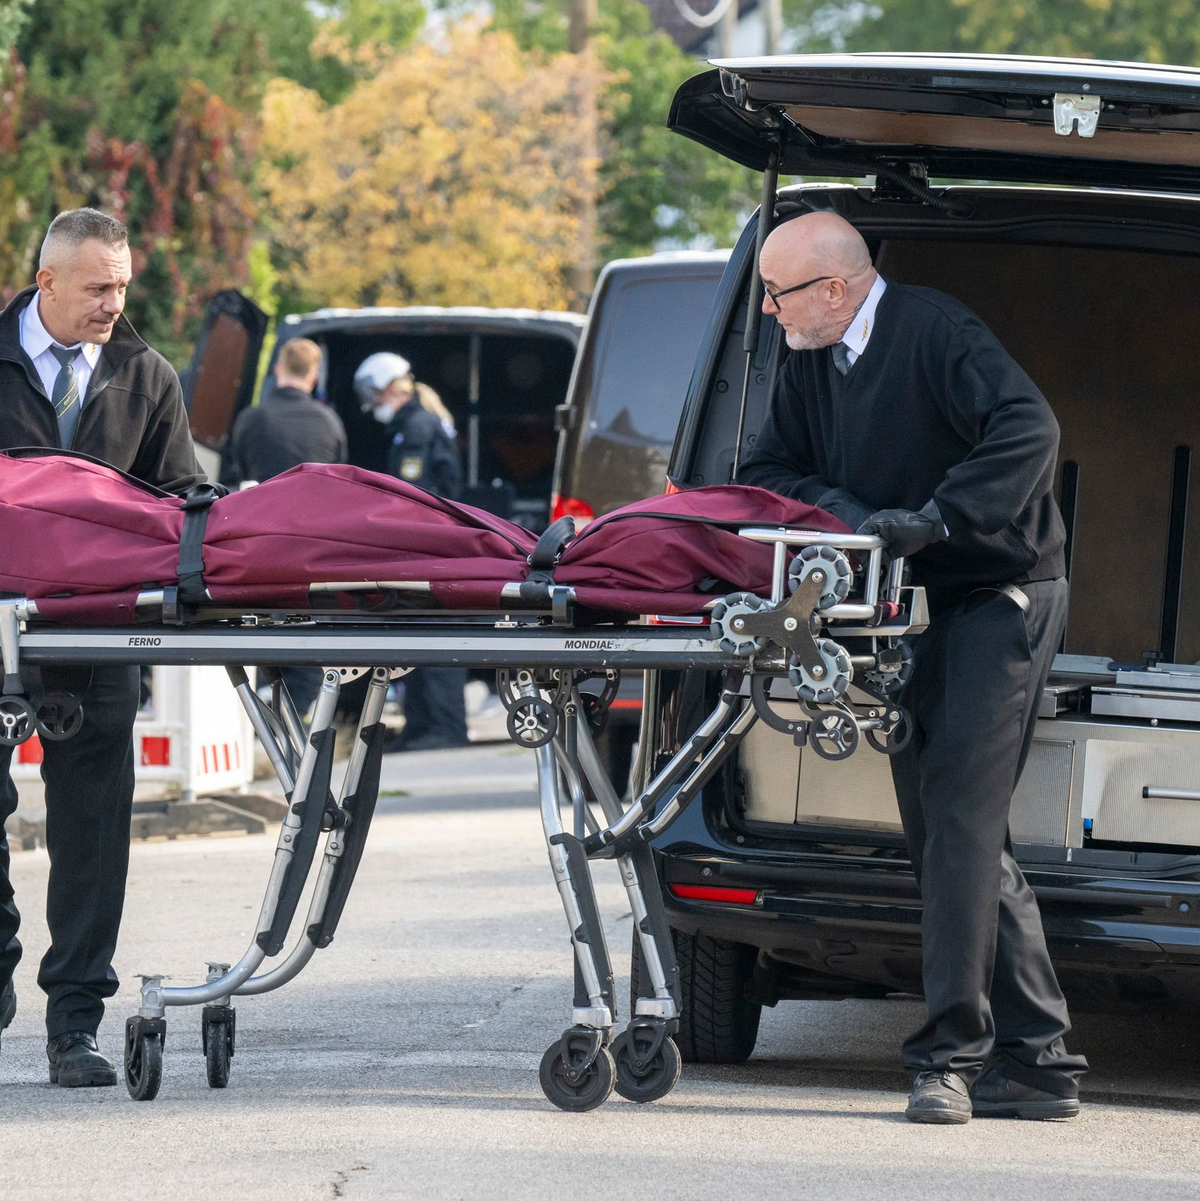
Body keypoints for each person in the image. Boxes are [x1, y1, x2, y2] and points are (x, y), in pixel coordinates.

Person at [740, 211, 1087, 1125]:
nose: (768, 310)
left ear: (835, 288)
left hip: (1001, 593)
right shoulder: (813, 357)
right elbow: (769, 466)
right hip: (910, 605)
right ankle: (1041, 1060)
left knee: (960, 824)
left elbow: (1030, 429)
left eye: (776, 293)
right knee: (944, 830)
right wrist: (851, 511)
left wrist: (936, 518)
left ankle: (949, 1061)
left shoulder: (935, 330)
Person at [0, 207, 205, 1086]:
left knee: (92, 836)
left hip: (99, 639)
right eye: (96, 287)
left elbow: (181, 494)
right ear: (45, 282)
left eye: (122, 286)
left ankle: (74, 1025)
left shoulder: (144, 375)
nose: (114, 304)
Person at [224, 337, 348, 716]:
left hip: (259, 544)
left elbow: (235, 477)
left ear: (278, 369)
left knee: (263, 629)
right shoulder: (329, 422)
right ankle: (293, 714)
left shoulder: (252, 418)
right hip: (314, 548)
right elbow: (341, 485)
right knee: (307, 633)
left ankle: (265, 710)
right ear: (314, 376)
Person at [354, 353, 468, 752]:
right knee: (419, 632)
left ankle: (444, 728)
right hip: (430, 546)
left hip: (430, 547)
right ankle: (422, 727)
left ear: (388, 387)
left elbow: (412, 497)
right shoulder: (415, 425)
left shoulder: (417, 427)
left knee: (435, 633)